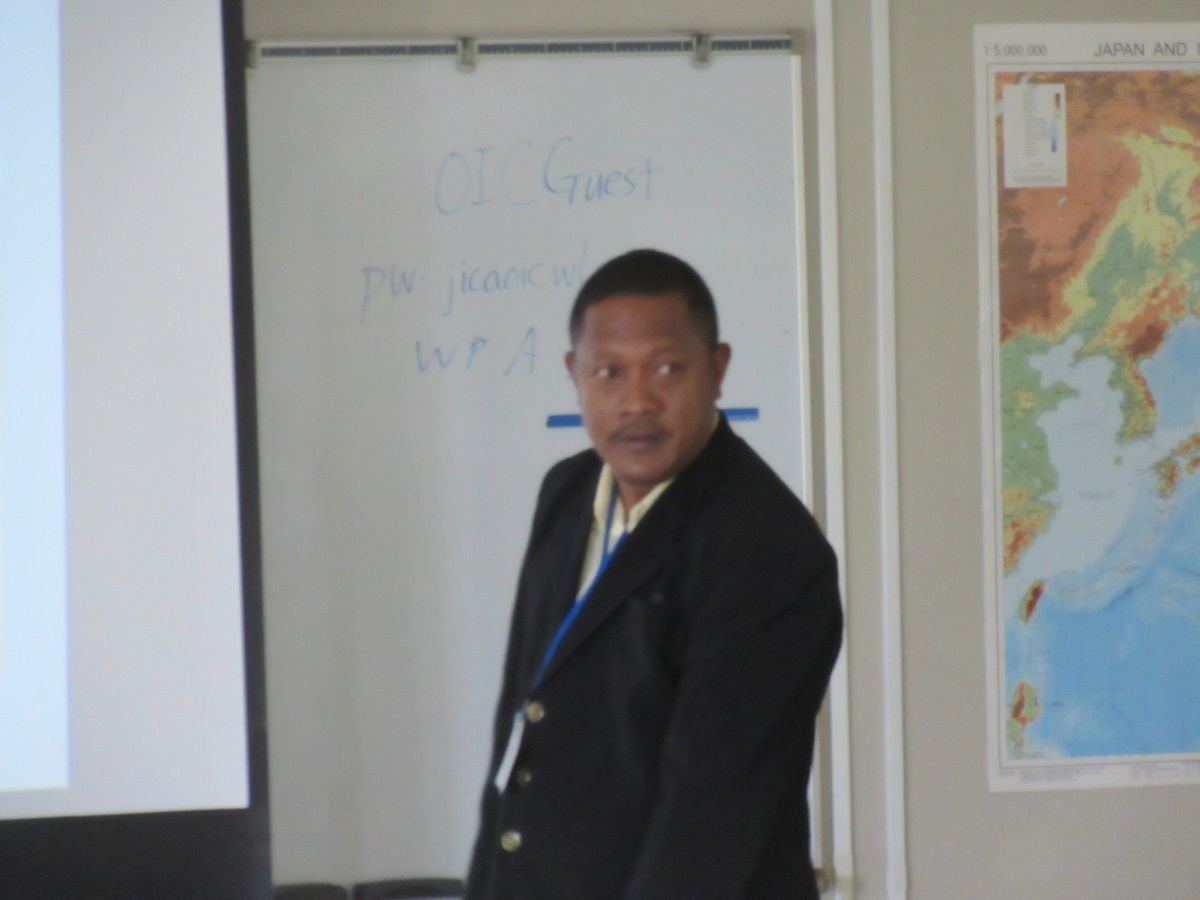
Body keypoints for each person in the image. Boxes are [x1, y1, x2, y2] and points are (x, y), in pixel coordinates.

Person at [465, 249, 843, 899]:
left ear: (717, 370)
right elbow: (520, 730)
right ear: (574, 375)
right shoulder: (567, 492)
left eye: (667, 369)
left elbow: (709, 817)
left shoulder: (767, 547)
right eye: (609, 372)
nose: (637, 401)